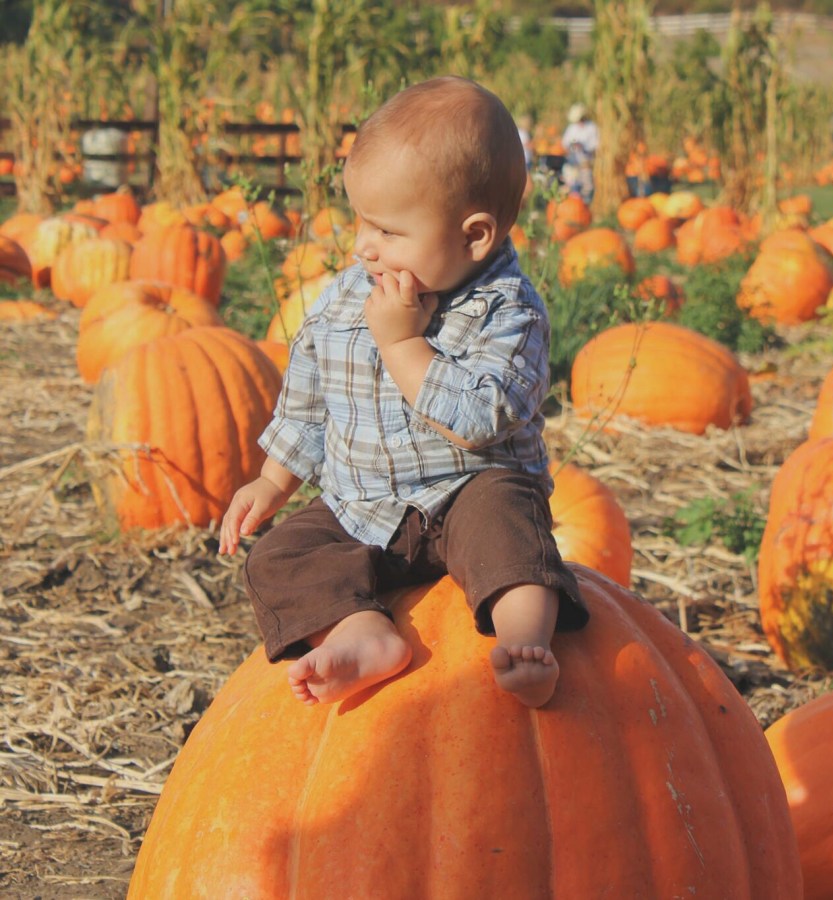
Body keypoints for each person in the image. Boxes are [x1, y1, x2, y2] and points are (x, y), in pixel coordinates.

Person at [219, 76, 587, 710]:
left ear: (475, 236)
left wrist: (403, 346)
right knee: (278, 557)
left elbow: (480, 418)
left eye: (387, 232)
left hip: (466, 493)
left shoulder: (509, 312)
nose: (364, 246)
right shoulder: (344, 297)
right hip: (363, 509)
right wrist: (274, 481)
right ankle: (362, 632)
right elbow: (311, 395)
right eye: (361, 222)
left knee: (511, 528)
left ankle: (526, 643)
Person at [561, 102, 599, 202]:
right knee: (571, 183)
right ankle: (573, 202)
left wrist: (583, 147)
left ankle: (585, 204)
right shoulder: (572, 128)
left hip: (586, 162)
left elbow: (595, 145)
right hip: (573, 161)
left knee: (587, 185)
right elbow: (565, 143)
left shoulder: (591, 127)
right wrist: (572, 146)